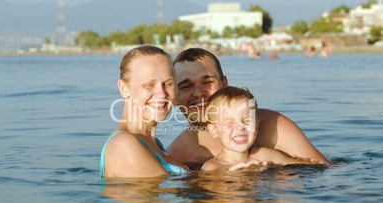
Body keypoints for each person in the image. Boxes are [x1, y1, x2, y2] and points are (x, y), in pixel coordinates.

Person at [168, 47, 330, 169]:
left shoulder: (273, 126)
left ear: (224, 84)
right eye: (186, 86)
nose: (199, 93)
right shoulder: (177, 156)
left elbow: (323, 169)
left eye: (207, 82)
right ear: (174, 96)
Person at [100, 45, 189, 179]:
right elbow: (162, 198)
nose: (161, 93)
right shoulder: (124, 145)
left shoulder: (152, 144)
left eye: (168, 83)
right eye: (149, 85)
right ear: (124, 89)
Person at [201, 86, 324, 171]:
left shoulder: (264, 155)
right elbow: (212, 194)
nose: (240, 127)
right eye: (230, 122)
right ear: (214, 130)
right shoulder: (212, 167)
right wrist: (233, 176)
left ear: (257, 126)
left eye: (247, 121)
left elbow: (308, 167)